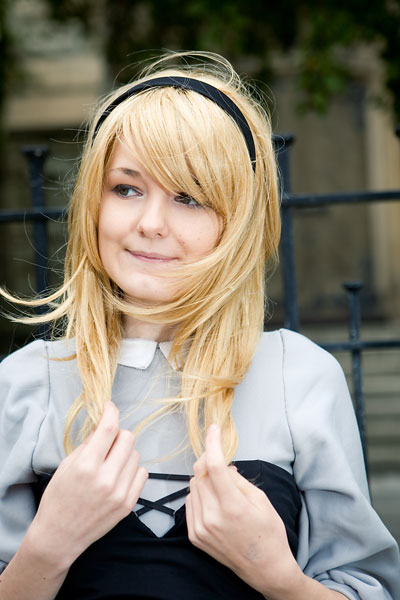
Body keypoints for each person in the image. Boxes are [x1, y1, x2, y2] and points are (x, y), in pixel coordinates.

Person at [0, 51, 399, 600]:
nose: (150, 223)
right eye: (127, 188)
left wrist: (278, 577)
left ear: (239, 222)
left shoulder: (300, 377)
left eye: (189, 197)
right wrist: (46, 550)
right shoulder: (25, 383)